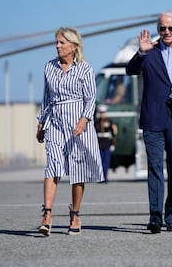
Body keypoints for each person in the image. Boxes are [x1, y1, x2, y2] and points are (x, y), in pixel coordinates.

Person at [126, 11, 172, 233]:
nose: (166, 32)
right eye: (162, 28)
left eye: (170, 28)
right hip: (153, 118)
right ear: (158, 29)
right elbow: (130, 70)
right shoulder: (148, 52)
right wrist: (140, 52)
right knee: (155, 168)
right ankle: (155, 217)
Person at [36, 27, 104, 236]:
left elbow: (91, 98)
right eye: (57, 42)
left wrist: (84, 119)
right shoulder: (49, 67)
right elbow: (46, 98)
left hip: (77, 126)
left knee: (77, 170)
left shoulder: (85, 68)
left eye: (62, 43)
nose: (58, 46)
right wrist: (40, 123)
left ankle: (75, 214)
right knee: (52, 167)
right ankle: (47, 214)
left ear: (74, 46)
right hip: (55, 122)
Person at [94, 104, 118, 182]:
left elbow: (114, 133)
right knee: (99, 162)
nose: (102, 114)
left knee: (106, 162)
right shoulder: (96, 122)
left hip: (107, 144)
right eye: (101, 113)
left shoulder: (110, 122)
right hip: (99, 144)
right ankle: (100, 177)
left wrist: (113, 144)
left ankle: (105, 177)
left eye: (103, 113)